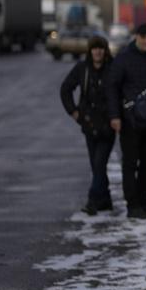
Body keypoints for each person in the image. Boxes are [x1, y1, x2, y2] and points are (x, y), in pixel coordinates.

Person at [107, 24, 146, 219]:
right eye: (144, 37)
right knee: (130, 164)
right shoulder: (123, 60)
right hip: (130, 122)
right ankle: (133, 206)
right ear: (136, 37)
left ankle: (143, 202)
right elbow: (111, 89)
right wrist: (115, 116)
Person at [60, 35, 115, 215]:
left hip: (108, 126)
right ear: (90, 51)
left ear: (105, 50)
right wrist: (74, 112)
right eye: (94, 48)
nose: (97, 52)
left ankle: (92, 200)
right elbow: (65, 89)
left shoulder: (113, 69)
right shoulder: (82, 69)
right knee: (96, 165)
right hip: (89, 125)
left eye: (100, 48)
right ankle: (105, 199)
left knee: (99, 164)